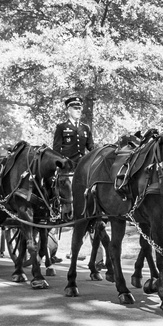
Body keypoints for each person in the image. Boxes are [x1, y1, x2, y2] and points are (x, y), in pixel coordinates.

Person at [53, 95, 100, 270]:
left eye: (79, 108)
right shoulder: (61, 127)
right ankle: (65, 210)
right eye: (75, 108)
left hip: (82, 168)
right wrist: (62, 164)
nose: (78, 111)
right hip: (67, 168)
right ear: (68, 110)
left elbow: (91, 148)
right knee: (64, 188)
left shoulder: (85, 128)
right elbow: (56, 149)